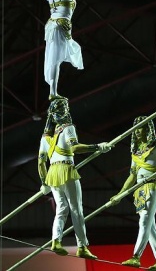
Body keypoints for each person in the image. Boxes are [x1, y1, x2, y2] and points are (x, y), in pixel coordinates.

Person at [38, 98, 113, 259]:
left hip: (52, 174)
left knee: (61, 209)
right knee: (76, 210)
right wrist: (97, 147)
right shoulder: (68, 128)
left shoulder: (45, 137)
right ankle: (82, 246)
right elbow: (75, 147)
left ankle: (56, 241)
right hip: (66, 169)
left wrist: (44, 183)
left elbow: (40, 162)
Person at [110, 116, 156, 271]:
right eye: (135, 128)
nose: (137, 131)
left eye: (140, 127)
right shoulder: (136, 151)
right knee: (150, 226)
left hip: (153, 186)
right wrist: (120, 194)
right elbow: (132, 176)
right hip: (139, 190)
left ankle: (136, 256)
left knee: (144, 222)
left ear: (148, 128)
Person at [33, 0, 108, 100]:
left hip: (51, 26)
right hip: (60, 26)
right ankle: (53, 92)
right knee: (56, 59)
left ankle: (53, 91)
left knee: (54, 58)